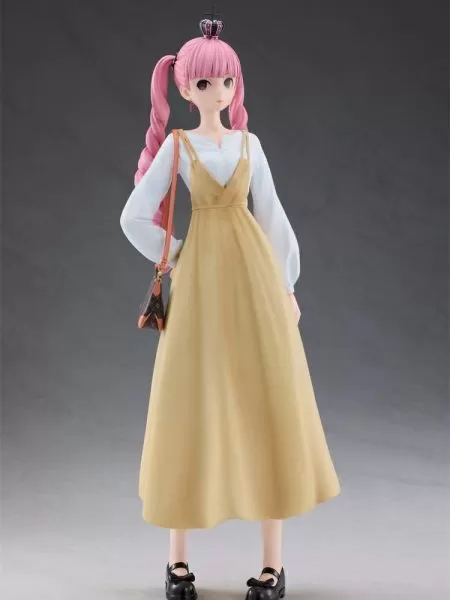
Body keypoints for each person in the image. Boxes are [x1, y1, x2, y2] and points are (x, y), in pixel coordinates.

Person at [120, 14, 341, 600]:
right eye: (204, 83)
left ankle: (273, 566)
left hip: (255, 285)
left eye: (226, 81)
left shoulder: (249, 145)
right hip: (200, 291)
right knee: (189, 403)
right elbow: (133, 215)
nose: (217, 92)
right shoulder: (179, 146)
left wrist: (286, 286)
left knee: (267, 401)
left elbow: (272, 216)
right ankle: (177, 564)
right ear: (185, 89)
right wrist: (180, 254)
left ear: (235, 85)